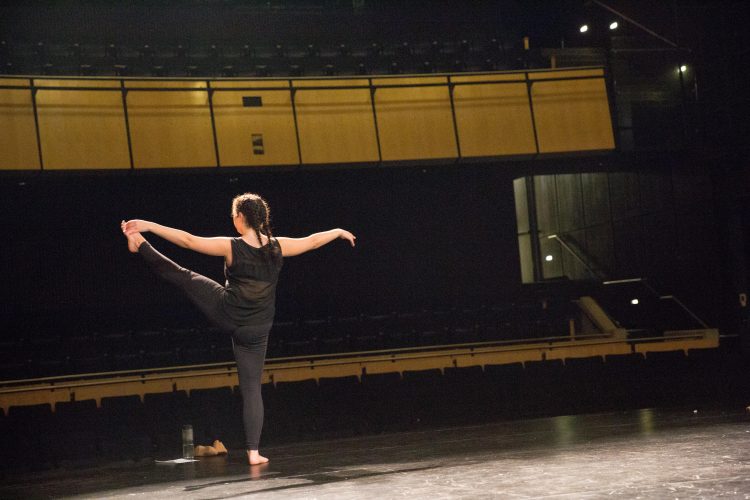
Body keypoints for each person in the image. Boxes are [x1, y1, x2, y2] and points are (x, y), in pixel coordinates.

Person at [121, 192, 356, 465]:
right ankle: (253, 452)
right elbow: (313, 241)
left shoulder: (232, 245)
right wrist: (338, 231)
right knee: (252, 389)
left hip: (228, 313)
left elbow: (188, 240)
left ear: (241, 218)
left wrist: (149, 226)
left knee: (184, 277)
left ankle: (140, 243)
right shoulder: (279, 246)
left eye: (234, 215)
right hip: (258, 329)